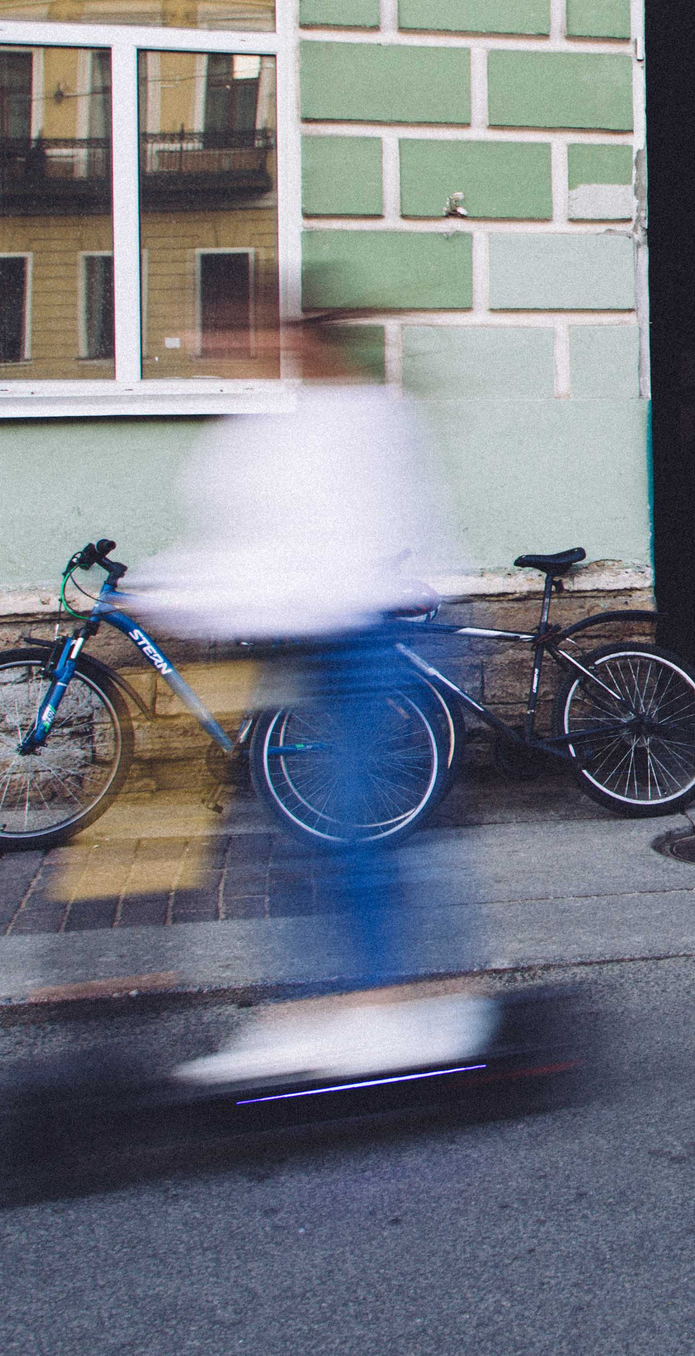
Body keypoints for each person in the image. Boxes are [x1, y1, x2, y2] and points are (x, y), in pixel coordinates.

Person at [135, 311, 494, 1084]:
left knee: (357, 828)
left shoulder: (366, 420)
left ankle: (386, 1003)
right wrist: (176, 589)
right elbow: (248, 535)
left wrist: (205, 599)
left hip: (379, 635)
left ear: (309, 344)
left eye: (266, 343)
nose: (246, 357)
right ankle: (347, 999)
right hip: (322, 644)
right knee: (312, 837)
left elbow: (329, 558)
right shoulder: (285, 424)